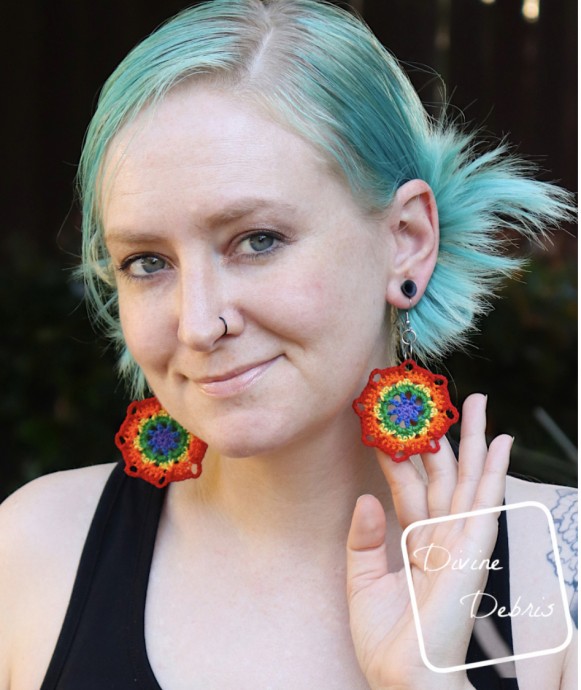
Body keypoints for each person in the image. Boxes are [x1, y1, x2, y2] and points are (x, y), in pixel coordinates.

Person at [0, 1, 576, 689]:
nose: (197, 323)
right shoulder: (33, 552)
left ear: (406, 241)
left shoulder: (561, 568)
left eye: (257, 240)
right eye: (147, 261)